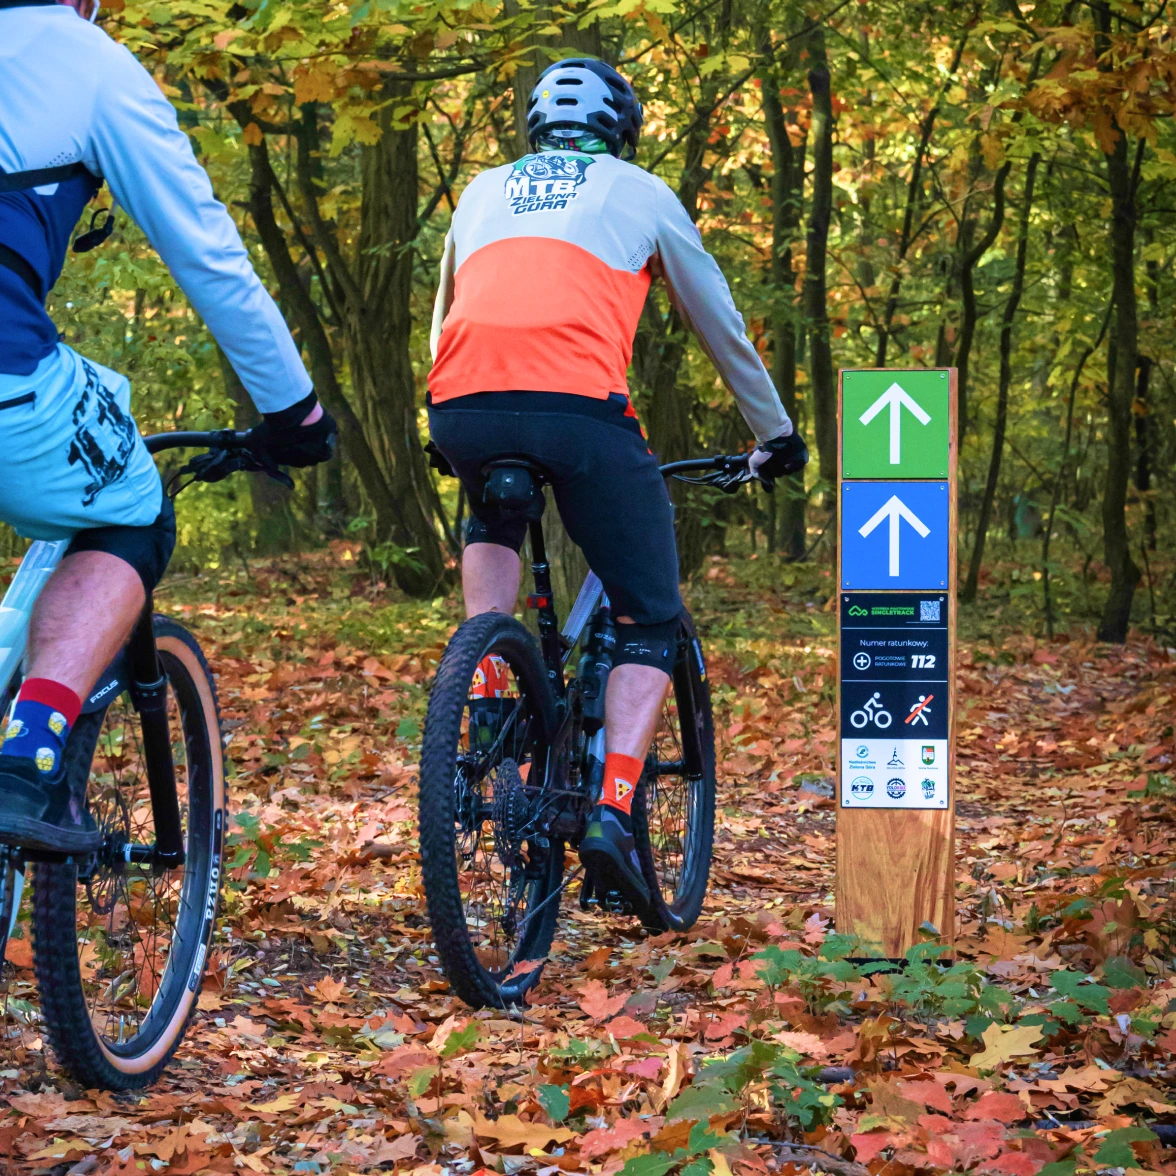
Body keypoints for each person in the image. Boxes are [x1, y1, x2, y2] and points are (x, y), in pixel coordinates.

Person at [426, 58, 808, 917]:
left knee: (494, 526)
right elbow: (720, 322)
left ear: (535, 129)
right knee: (648, 613)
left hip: (462, 405)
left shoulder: (483, 191)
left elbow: (448, 308)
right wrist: (774, 434)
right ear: (621, 128)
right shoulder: (639, 190)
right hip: (579, 415)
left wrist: (439, 423)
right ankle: (610, 811)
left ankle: (488, 689)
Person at [0, 0, 337, 853]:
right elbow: (208, 255)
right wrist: (291, 408)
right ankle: (28, 754)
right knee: (130, 511)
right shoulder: (88, 61)